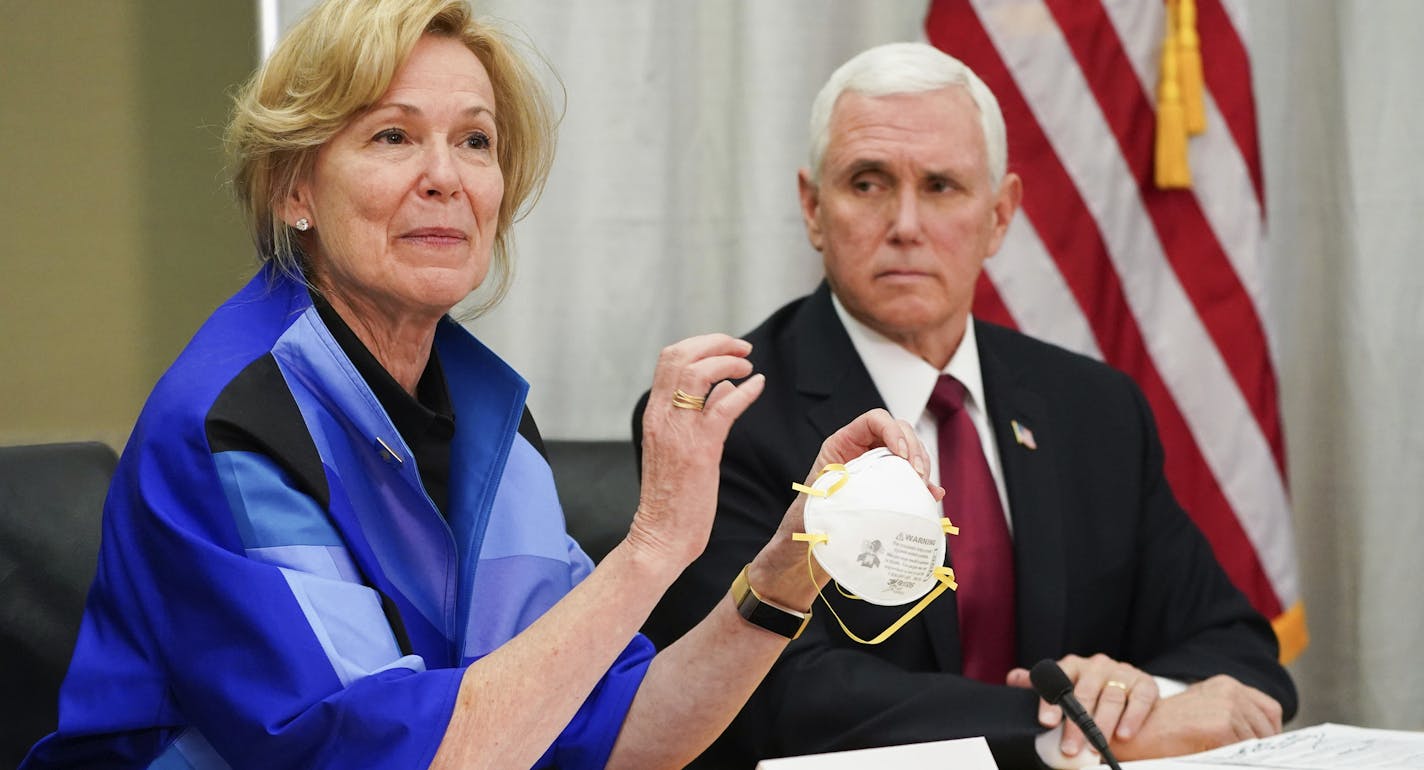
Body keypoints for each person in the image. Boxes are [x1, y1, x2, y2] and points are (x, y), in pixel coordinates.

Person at [20, 4, 940, 769]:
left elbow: (618, 732)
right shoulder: (233, 423)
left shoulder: (480, 402)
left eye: (475, 141)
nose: (445, 179)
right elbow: (380, 755)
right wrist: (654, 545)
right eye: (392, 136)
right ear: (294, 188)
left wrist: (787, 573)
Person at [636, 42, 1297, 770]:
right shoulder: (729, 417)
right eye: (868, 182)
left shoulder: (1095, 409)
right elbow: (781, 697)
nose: (907, 224)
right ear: (813, 208)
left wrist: (1131, 698)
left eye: (943, 186)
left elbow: (1235, 648)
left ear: (1001, 215)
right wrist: (1071, 730)